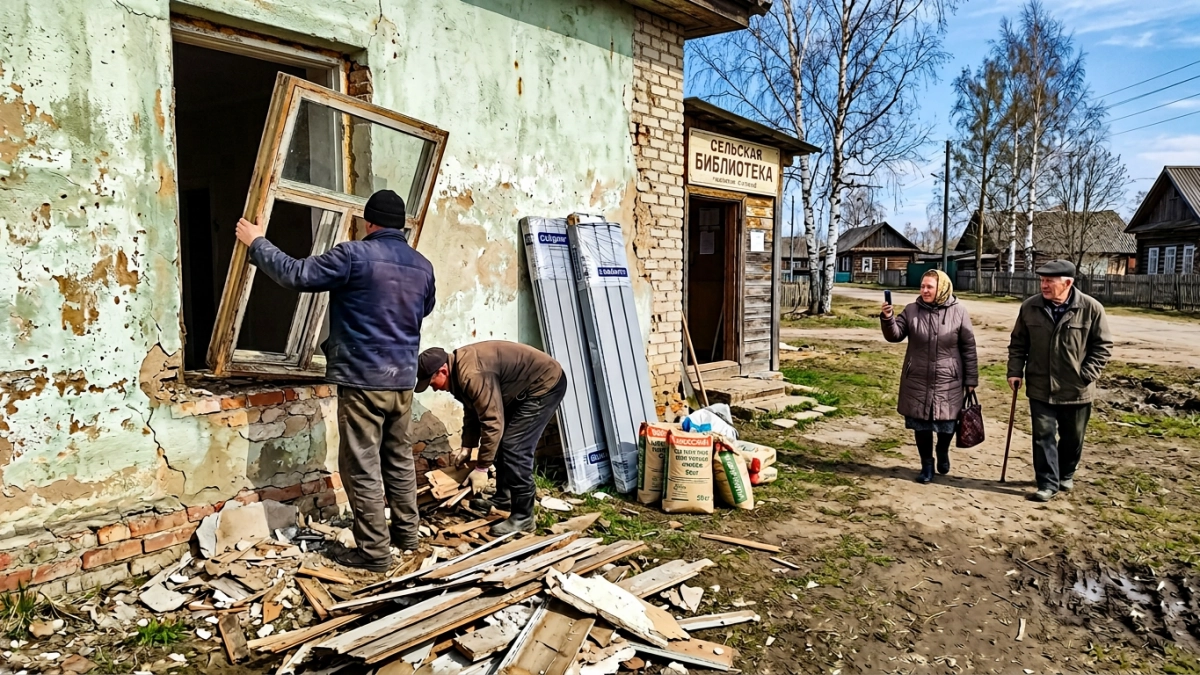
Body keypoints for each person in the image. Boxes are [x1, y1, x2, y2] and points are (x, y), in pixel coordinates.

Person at [235, 189, 435, 572]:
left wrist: (257, 242)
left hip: (363, 379)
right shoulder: (422, 266)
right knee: (397, 460)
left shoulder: (354, 254)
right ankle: (407, 537)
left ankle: (374, 555)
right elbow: (424, 307)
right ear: (402, 226)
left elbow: (296, 274)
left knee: (361, 465)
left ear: (368, 222)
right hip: (403, 380)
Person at [414, 341, 567, 534]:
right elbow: (473, 409)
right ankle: (505, 499)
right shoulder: (460, 371)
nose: (434, 389)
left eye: (431, 383)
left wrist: (482, 468)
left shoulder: (472, 374)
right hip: (521, 390)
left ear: (443, 371)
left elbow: (492, 422)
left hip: (544, 385)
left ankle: (523, 516)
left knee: (515, 448)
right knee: (504, 442)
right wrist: (467, 446)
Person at [1007, 260, 1113, 502]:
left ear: (1067, 283)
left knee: (1073, 437)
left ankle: (1066, 472)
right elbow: (1018, 343)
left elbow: (1103, 346)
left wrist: (1086, 374)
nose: (1043, 285)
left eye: (1049, 281)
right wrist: (1015, 371)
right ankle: (1047, 482)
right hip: (1040, 386)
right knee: (1042, 435)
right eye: (1042, 280)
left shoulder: (1091, 308)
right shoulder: (1029, 307)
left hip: (1077, 388)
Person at [880, 270, 978, 483]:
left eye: (929, 287)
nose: (924, 290)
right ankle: (927, 464)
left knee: (947, 425)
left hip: (948, 379)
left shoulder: (959, 312)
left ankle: (942, 450)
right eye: (922, 286)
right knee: (921, 425)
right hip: (917, 378)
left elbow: (968, 347)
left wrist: (971, 380)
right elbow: (895, 336)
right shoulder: (912, 310)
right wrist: (888, 319)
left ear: (941, 288)